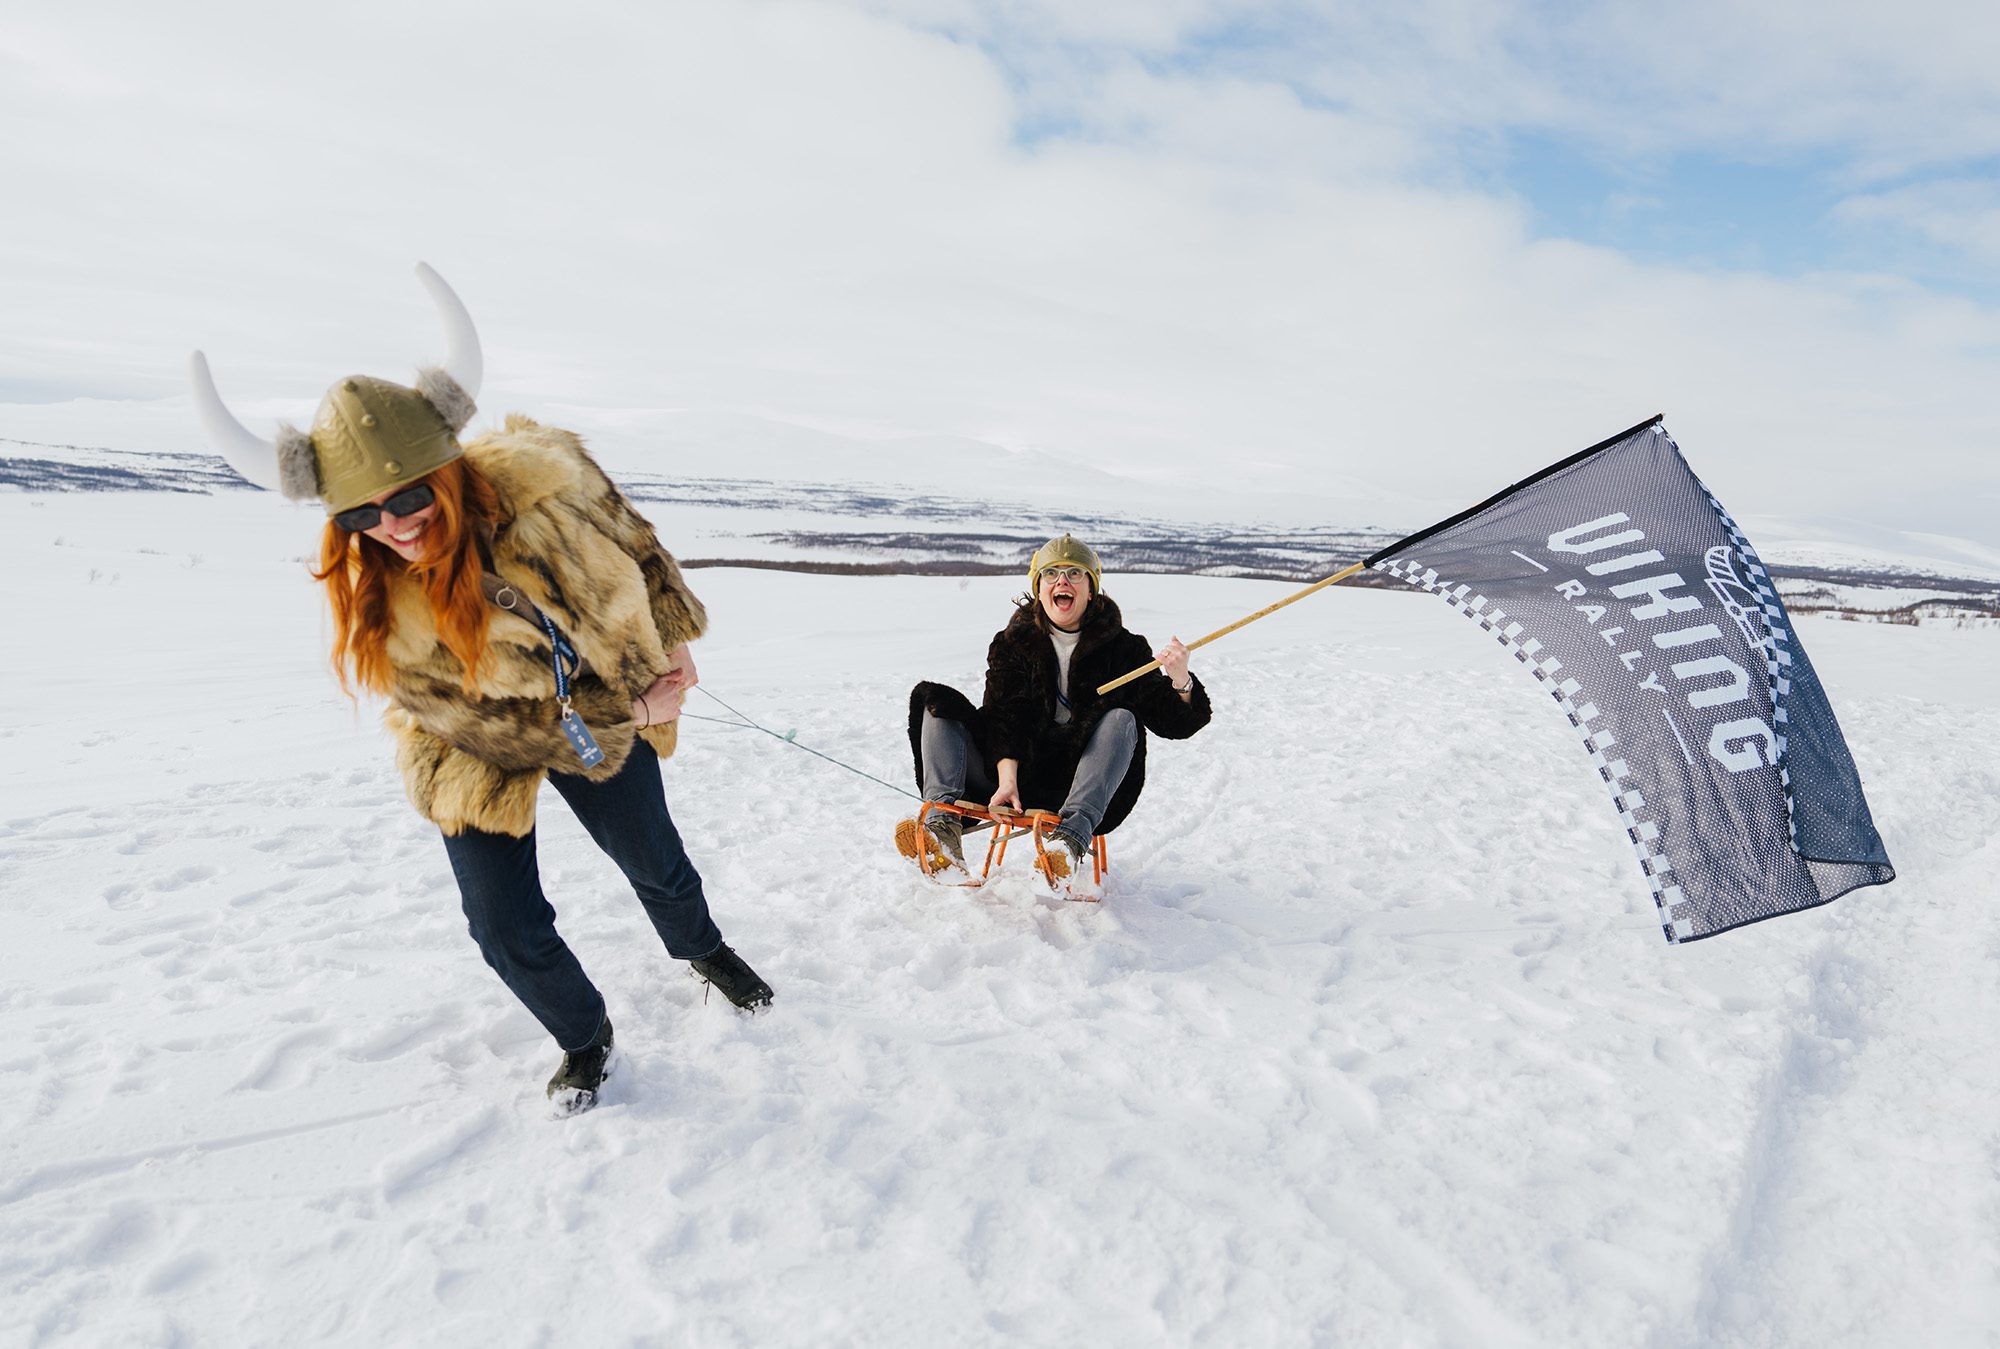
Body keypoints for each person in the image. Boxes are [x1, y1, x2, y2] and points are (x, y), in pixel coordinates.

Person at [190, 265, 771, 1116]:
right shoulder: (382, 608)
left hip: (591, 689)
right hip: (474, 738)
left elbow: (637, 545)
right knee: (501, 923)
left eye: (409, 496)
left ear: (448, 470)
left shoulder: (549, 482)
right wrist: (631, 714)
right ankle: (585, 1036)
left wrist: (673, 633)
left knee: (652, 855)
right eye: (360, 515)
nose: (393, 525)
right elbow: (488, 725)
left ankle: (703, 949)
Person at [898, 534, 1212, 895]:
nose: (1062, 580)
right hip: (1010, 779)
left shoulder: (1124, 648)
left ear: (1091, 590)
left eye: (1074, 573)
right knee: (935, 701)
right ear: (1039, 587)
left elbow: (1174, 724)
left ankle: (1067, 844)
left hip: (1081, 784)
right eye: (1051, 573)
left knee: (1122, 718)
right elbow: (1005, 715)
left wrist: (1180, 679)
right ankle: (941, 831)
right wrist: (1007, 780)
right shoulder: (1012, 642)